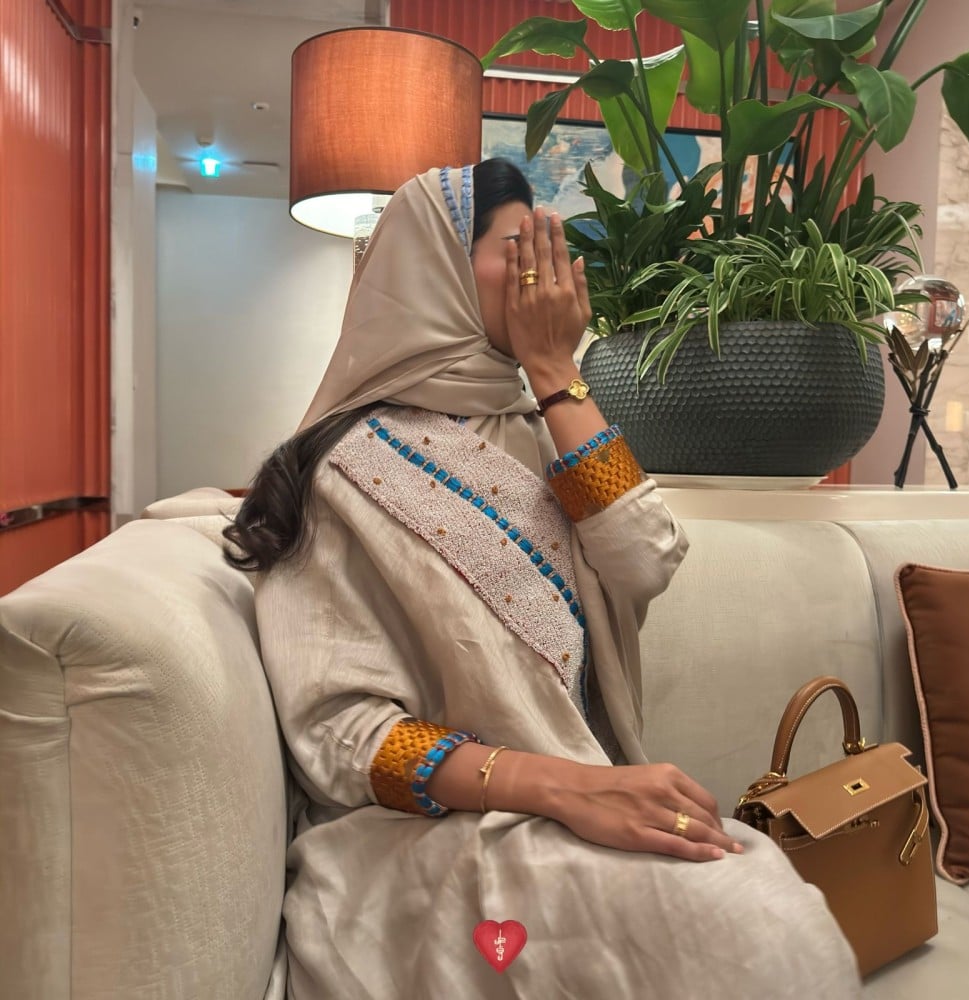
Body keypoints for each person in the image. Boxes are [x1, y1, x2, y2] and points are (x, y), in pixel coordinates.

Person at [224, 159, 860, 999]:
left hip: (581, 800)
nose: (548, 270)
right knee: (753, 928)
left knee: (770, 910)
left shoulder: (542, 423)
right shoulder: (342, 469)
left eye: (552, 245)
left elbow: (646, 558)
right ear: (440, 272)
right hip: (427, 836)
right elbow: (343, 736)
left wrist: (556, 372)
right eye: (520, 246)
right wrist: (567, 788)